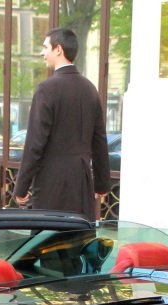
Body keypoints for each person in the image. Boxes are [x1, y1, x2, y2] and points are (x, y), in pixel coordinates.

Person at [12, 28, 111, 219]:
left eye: (45, 47)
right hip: (81, 180)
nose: (42, 53)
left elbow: (35, 143)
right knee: (77, 241)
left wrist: (21, 187)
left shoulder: (46, 89)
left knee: (47, 242)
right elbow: (99, 139)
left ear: (58, 49)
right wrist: (102, 183)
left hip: (52, 182)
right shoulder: (90, 89)